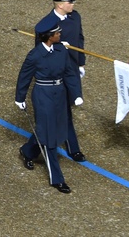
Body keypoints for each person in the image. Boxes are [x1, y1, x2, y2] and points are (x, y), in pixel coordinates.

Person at [15, 13, 83, 193]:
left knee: (51, 128)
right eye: (57, 32)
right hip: (43, 95)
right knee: (50, 137)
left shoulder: (61, 50)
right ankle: (56, 179)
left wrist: (76, 93)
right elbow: (24, 76)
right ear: (49, 36)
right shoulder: (35, 55)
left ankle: (28, 151)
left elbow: (69, 72)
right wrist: (20, 98)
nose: (60, 34)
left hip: (59, 93)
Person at [45, 0, 88, 163]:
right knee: (62, 112)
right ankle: (73, 148)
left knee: (64, 111)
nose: (73, 4)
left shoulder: (75, 17)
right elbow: (42, 55)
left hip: (72, 71)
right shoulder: (47, 25)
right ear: (61, 5)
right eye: (70, 2)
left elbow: (80, 39)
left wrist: (81, 62)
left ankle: (71, 148)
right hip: (57, 74)